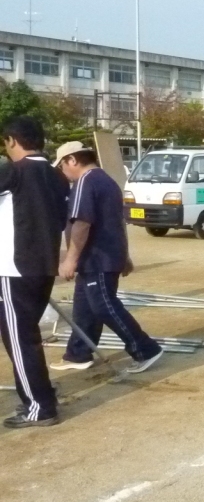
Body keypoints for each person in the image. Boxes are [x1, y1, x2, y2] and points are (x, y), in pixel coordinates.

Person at [50, 142, 163, 374]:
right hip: (101, 257)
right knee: (84, 308)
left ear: (72, 160)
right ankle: (78, 353)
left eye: (62, 165)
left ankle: (145, 349)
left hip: (98, 258)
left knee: (103, 306)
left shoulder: (86, 181)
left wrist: (70, 259)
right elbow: (116, 222)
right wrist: (125, 255)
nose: (63, 171)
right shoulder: (107, 181)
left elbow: (82, 223)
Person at [0, 117, 69, 428]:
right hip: (44, 266)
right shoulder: (57, 176)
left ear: (12, 141)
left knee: (20, 340)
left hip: (14, 269)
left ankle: (39, 406)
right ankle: (41, 396)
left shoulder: (15, 171)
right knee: (27, 336)